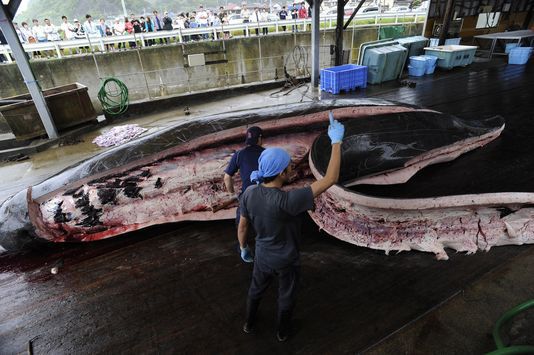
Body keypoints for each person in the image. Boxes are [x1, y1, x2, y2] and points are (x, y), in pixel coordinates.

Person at [238, 112, 344, 341]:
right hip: (286, 259)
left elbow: (243, 226)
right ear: (280, 173)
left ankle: (249, 323)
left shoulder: (249, 192)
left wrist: (243, 247)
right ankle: (282, 332)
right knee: (286, 295)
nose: (291, 170)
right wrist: (336, 141)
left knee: (256, 290)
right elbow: (330, 179)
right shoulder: (288, 201)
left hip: (262, 256)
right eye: (288, 168)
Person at [224, 126, 264, 263]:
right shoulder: (266, 153)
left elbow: (227, 177)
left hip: (246, 196)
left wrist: (232, 195)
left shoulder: (239, 154)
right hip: (265, 195)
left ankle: (243, 248)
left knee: (242, 224)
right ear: (260, 138)